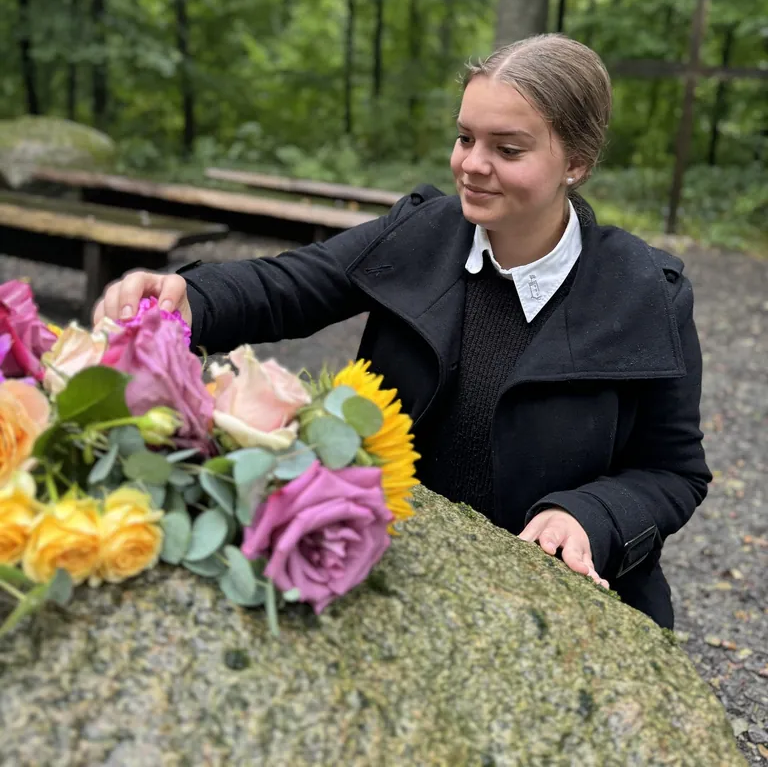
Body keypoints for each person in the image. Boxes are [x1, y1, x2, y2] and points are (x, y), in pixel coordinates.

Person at [93, 34, 711, 629]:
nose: (472, 164)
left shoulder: (646, 294)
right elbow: (287, 286)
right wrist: (187, 297)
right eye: (465, 137)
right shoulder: (420, 233)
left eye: (508, 149)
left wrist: (591, 516)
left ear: (576, 161)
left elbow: (672, 472)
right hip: (399, 571)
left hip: (559, 609)